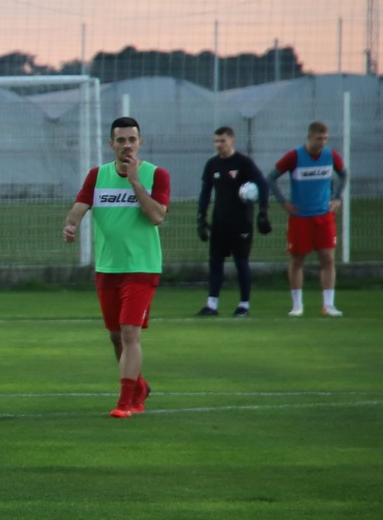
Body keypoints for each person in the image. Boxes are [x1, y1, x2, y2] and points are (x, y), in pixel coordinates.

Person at [62, 116, 170, 419]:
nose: (126, 145)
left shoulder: (155, 175)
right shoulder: (97, 176)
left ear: (140, 142)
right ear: (111, 144)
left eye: (131, 140)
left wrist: (135, 182)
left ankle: (126, 403)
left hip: (142, 267)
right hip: (108, 268)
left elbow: (157, 217)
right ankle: (140, 386)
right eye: (120, 140)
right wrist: (70, 225)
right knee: (115, 336)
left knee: (129, 333)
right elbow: (79, 207)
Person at [271, 121, 347, 317]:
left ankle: (328, 305)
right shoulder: (295, 156)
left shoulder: (331, 155)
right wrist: (283, 202)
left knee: (328, 259)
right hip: (300, 217)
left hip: (323, 216)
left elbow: (344, 174)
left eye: (325, 138)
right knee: (297, 259)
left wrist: (337, 197)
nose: (322, 142)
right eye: (318, 138)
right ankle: (297, 305)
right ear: (309, 137)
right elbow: (271, 177)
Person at [195, 125, 270, 317]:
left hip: (241, 222)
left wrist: (263, 211)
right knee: (215, 262)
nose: (219, 145)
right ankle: (212, 305)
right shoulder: (212, 164)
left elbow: (262, 183)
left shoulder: (243, 163)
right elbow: (205, 192)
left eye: (222, 141)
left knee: (241, 262)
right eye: (216, 141)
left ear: (232, 141)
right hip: (219, 221)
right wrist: (201, 218)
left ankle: (244, 305)